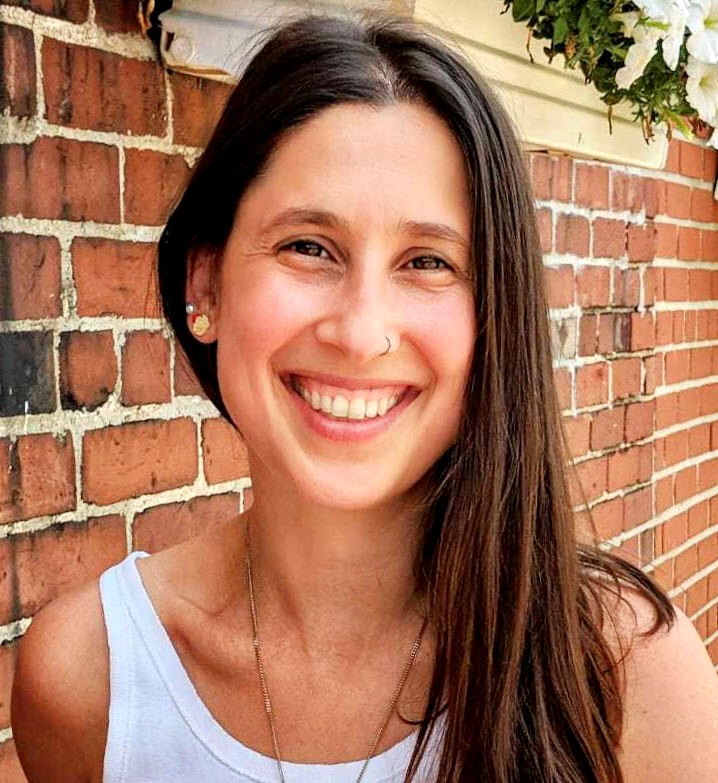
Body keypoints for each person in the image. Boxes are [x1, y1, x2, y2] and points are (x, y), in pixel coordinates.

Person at [10, 13, 718, 783]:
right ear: (204, 284)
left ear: (495, 314)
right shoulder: (92, 678)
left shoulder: (624, 671)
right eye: (308, 247)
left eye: (427, 261)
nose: (360, 332)